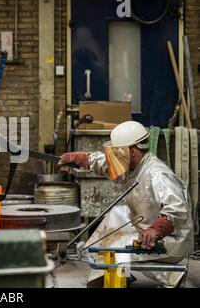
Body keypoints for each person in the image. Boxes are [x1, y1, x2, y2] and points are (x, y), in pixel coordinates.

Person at [59, 121, 194, 287]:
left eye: (117, 153)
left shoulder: (157, 173)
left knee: (114, 244)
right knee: (110, 225)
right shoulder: (132, 166)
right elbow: (104, 163)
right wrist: (81, 159)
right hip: (146, 228)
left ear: (133, 151)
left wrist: (156, 230)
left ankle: (171, 276)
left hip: (170, 239)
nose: (114, 157)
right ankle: (113, 276)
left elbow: (177, 209)